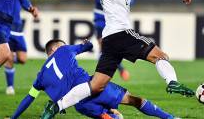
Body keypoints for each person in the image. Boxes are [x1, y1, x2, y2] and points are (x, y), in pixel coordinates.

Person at [32, 0, 195, 114]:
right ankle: (172, 82)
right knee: (161, 56)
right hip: (121, 34)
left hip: (109, 41)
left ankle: (56, 106)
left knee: (96, 86)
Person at [10, 39, 178, 119]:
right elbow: (87, 47)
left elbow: (29, 98)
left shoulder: (40, 77)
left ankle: (111, 115)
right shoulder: (64, 50)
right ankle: (170, 118)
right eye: (63, 44)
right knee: (135, 100)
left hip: (80, 105)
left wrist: (13, 118)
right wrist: (88, 43)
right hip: (94, 88)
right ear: (55, 48)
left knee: (112, 116)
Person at [86, 0, 130, 81]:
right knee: (103, 44)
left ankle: (103, 75)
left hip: (114, 17)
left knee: (112, 46)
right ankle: (116, 71)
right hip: (100, 15)